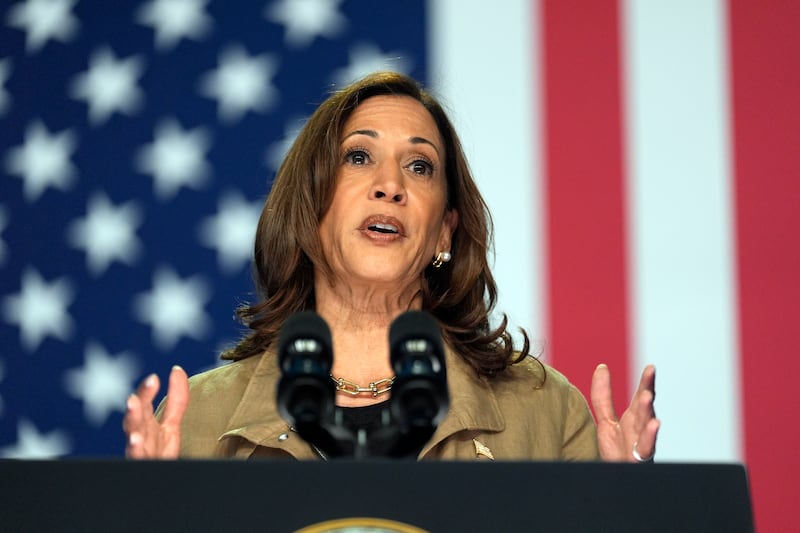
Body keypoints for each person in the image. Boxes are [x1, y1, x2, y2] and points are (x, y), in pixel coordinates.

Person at [123, 71, 659, 461]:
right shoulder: (199, 422)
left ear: (444, 232)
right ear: (308, 211)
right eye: (358, 156)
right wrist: (143, 515)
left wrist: (624, 507)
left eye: (420, 166)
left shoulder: (543, 412)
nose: (390, 185)